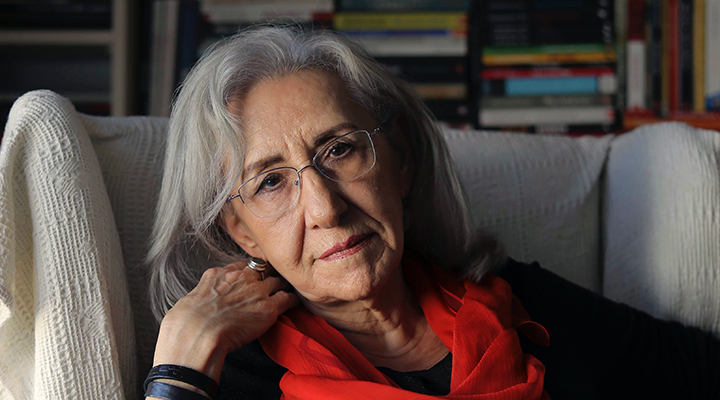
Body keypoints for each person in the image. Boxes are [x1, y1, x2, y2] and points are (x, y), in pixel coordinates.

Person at [145, 25, 720, 400]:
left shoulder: (517, 304)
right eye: (271, 182)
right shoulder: (237, 377)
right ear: (242, 232)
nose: (325, 208)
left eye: (340, 149)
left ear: (400, 163)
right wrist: (176, 372)